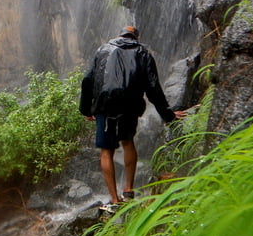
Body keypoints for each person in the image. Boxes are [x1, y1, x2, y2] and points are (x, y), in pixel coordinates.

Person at [79, 26, 186, 211]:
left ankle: (114, 200)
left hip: (105, 105)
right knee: (128, 142)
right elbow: (153, 86)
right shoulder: (142, 52)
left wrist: (86, 109)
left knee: (106, 151)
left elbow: (87, 80)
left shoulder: (103, 49)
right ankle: (128, 190)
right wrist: (167, 114)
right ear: (137, 37)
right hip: (129, 104)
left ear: (119, 35)